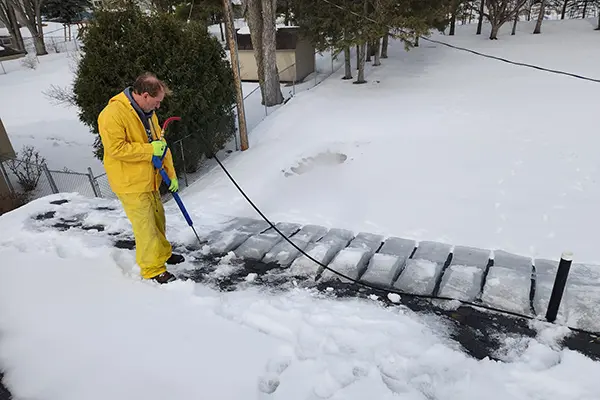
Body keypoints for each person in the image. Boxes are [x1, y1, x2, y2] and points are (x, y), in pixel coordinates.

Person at [97, 72, 184, 284]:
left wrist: (171, 175)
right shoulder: (112, 114)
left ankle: (162, 254)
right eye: (156, 102)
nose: (158, 107)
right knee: (145, 227)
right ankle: (152, 269)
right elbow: (116, 149)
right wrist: (148, 150)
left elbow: (160, 146)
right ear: (145, 95)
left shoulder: (148, 113)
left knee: (158, 220)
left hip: (150, 179)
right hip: (130, 183)